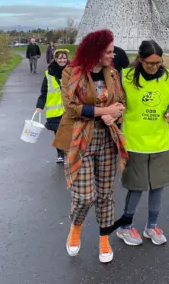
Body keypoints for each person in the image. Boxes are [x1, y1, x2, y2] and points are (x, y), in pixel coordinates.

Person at [52, 29, 130, 264]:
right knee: (85, 196)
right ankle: (76, 227)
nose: (112, 54)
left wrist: (116, 114)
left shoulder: (113, 73)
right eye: (107, 51)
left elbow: (122, 101)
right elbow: (72, 107)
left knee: (106, 195)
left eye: (112, 50)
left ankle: (104, 238)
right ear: (95, 52)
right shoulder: (71, 73)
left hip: (107, 139)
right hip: (80, 139)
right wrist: (106, 111)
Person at [115, 40, 169, 247]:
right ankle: (125, 227)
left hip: (160, 142)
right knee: (136, 187)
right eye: (149, 63)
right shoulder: (125, 77)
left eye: (158, 62)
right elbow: (116, 102)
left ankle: (151, 226)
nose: (154, 67)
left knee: (158, 187)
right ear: (140, 60)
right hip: (135, 142)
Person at [35, 48, 69, 164]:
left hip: (69, 109)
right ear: (55, 59)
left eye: (64, 58)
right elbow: (44, 92)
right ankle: (60, 153)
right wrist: (40, 106)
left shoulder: (72, 71)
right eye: (60, 58)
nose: (62, 60)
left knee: (68, 132)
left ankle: (68, 152)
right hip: (54, 110)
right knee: (58, 133)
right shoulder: (48, 73)